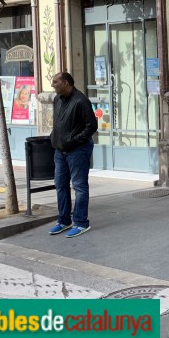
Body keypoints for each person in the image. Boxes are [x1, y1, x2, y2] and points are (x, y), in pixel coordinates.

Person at [49, 72, 98, 238]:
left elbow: (91, 126)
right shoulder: (57, 99)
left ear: (66, 83)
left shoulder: (81, 100)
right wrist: (54, 138)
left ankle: (81, 222)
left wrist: (74, 140)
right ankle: (63, 220)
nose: (52, 84)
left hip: (78, 150)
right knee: (60, 185)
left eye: (55, 82)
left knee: (79, 186)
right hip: (60, 151)